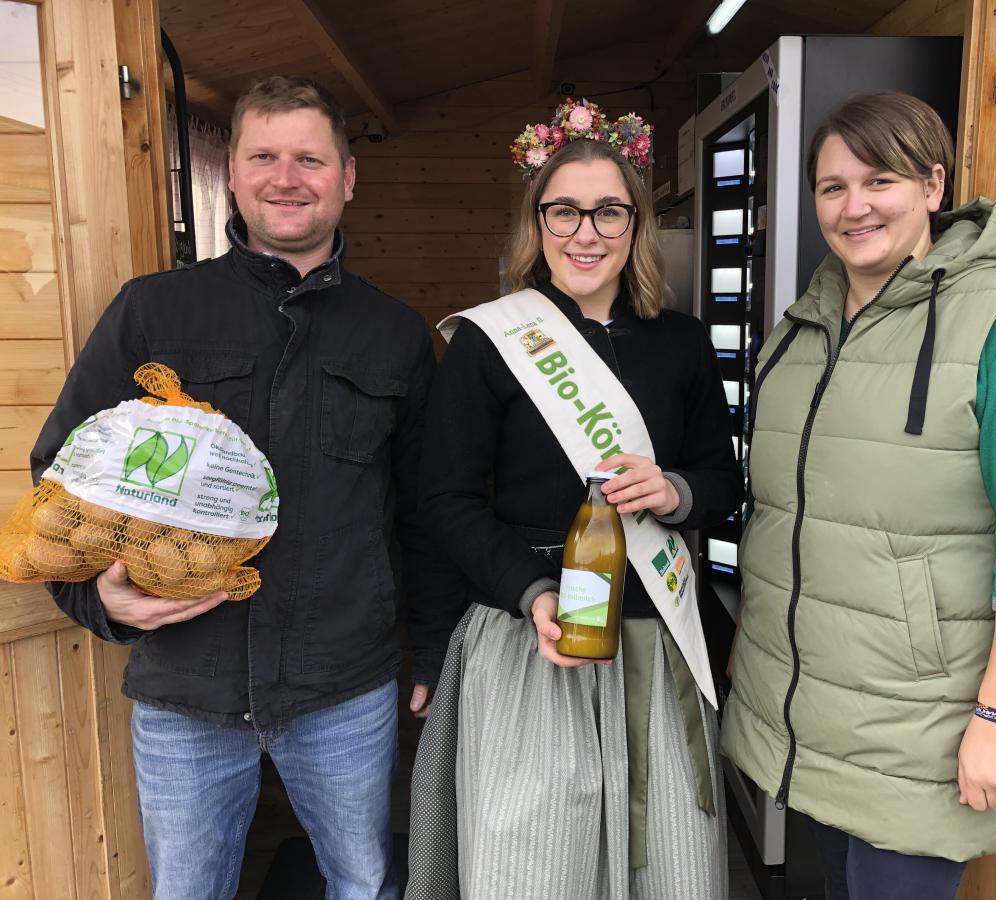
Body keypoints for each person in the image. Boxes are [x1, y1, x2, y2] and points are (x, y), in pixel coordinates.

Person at [31, 76, 459, 900]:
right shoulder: (153, 312)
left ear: (347, 177)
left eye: (309, 157)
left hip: (344, 684)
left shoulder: (396, 334)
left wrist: (435, 650)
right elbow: (63, 476)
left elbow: (422, 512)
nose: (285, 177)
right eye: (264, 155)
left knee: (365, 886)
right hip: (187, 688)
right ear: (233, 171)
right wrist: (98, 604)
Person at [721, 90, 996, 899]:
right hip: (806, 714)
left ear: (931, 184)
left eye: (878, 180)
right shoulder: (800, 329)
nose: (855, 208)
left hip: (921, 729)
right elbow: (786, 516)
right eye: (832, 187)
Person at [404, 102, 743, 899]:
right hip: (531, 637)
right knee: (531, 865)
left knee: (668, 861)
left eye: (609, 211)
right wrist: (532, 594)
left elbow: (724, 483)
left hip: (655, 636)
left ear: (637, 223)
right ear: (537, 221)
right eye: (565, 210)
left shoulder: (683, 343)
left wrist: (678, 489)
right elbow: (445, 499)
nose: (586, 233)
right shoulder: (489, 343)